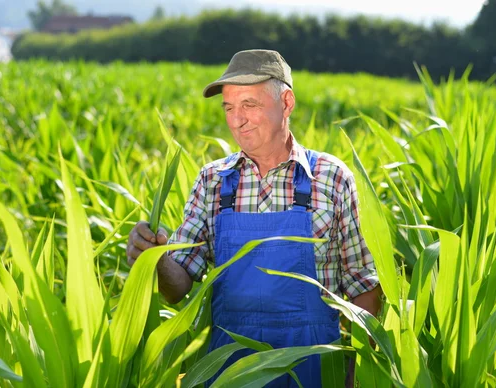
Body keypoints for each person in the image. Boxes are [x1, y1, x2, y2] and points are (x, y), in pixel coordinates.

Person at [127, 49, 382, 387]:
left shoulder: (331, 177)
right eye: (229, 108)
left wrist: (355, 373)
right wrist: (153, 258)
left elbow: (363, 285)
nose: (237, 120)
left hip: (315, 369)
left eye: (250, 105)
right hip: (230, 370)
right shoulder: (213, 180)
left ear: (286, 103)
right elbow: (177, 287)